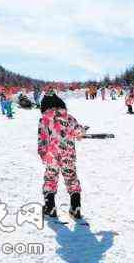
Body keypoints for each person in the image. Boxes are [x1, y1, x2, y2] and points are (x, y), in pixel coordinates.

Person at [38, 90, 87, 220]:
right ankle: (75, 208)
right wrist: (81, 133)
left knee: (50, 178)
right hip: (68, 154)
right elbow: (78, 132)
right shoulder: (69, 118)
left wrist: (42, 153)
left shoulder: (44, 120)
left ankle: (50, 207)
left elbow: (42, 139)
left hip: (51, 155)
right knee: (71, 178)